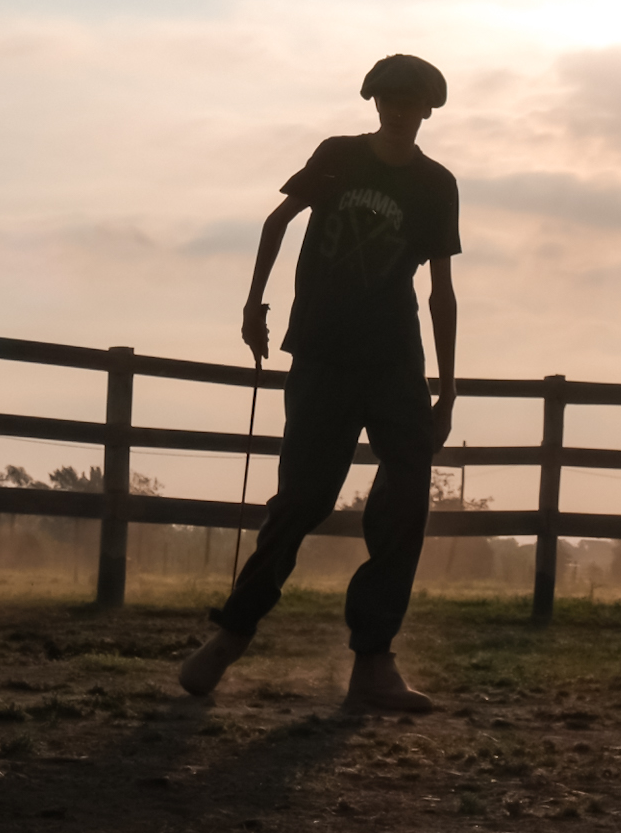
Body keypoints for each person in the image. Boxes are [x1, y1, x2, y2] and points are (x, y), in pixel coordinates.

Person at [179, 54, 459, 713]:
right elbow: (277, 222)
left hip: (395, 363)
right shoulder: (337, 155)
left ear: (426, 109)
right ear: (373, 102)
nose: (396, 108)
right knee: (300, 501)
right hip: (324, 356)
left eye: (408, 99)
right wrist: (253, 306)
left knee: (405, 502)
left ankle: (373, 662)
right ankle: (229, 636)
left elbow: (441, 291)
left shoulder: (435, 185)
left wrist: (446, 387)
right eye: (386, 97)